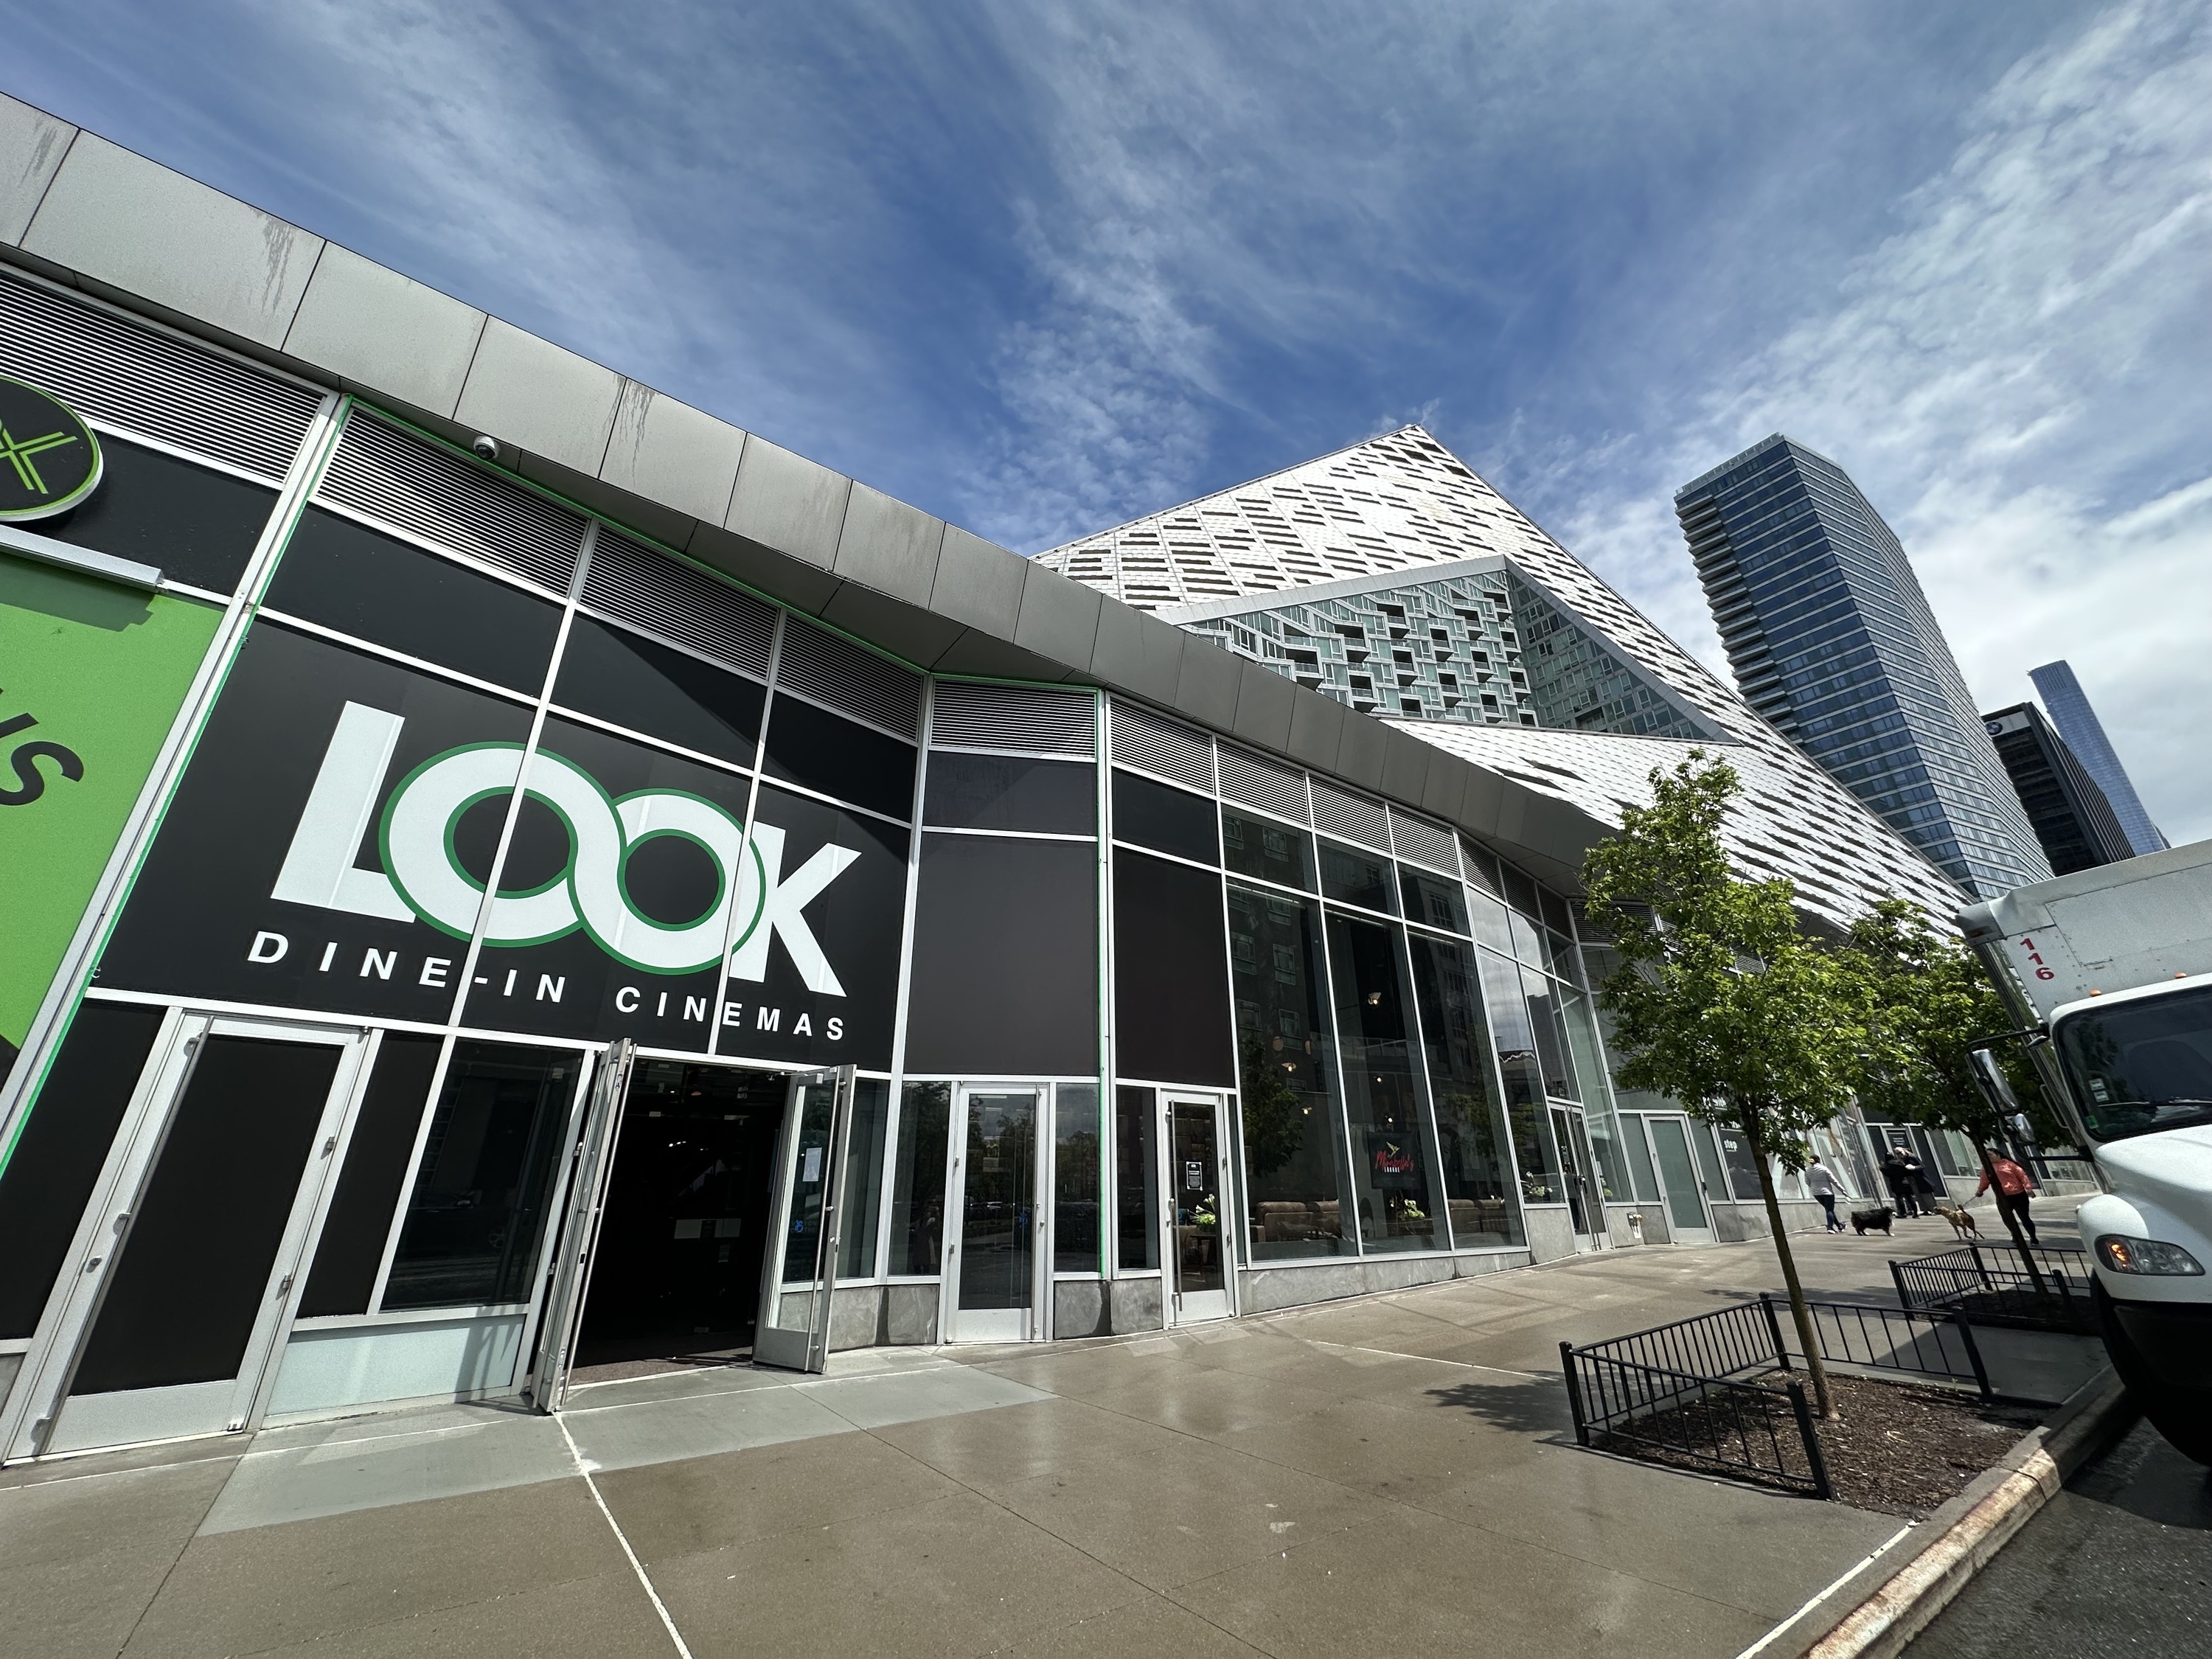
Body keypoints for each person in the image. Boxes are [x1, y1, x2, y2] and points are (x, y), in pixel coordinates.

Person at [1977, 1152, 2040, 1243]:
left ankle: (2033, 1237)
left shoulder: (2009, 1164)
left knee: (2024, 1217)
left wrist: (2029, 1189)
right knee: (2007, 1218)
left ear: (1998, 1155)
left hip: (2018, 1195)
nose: (1988, 1156)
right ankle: (2015, 1235)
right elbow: (1984, 1181)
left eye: (1990, 1154)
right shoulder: (1986, 1168)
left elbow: (2023, 1176)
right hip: (2002, 1197)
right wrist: (1980, 1191)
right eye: (1986, 1155)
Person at [1806, 1156, 1844, 1232]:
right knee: (1829, 1210)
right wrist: (1842, 1190)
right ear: (1819, 1160)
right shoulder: (1824, 1169)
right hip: (1827, 1193)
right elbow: (1834, 1181)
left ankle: (1839, 1226)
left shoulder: (1807, 1170)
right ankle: (1830, 1227)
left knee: (1829, 1210)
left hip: (1816, 1193)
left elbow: (1807, 1182)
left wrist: (1814, 1187)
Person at [1881, 1147, 1922, 1218]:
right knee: (1910, 1198)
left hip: (1896, 1183)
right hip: (1905, 1181)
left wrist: (1882, 1169)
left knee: (1899, 1198)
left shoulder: (1889, 1165)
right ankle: (1915, 1213)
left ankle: (1903, 1213)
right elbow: (1908, 1171)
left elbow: (1889, 1174)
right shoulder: (1901, 1162)